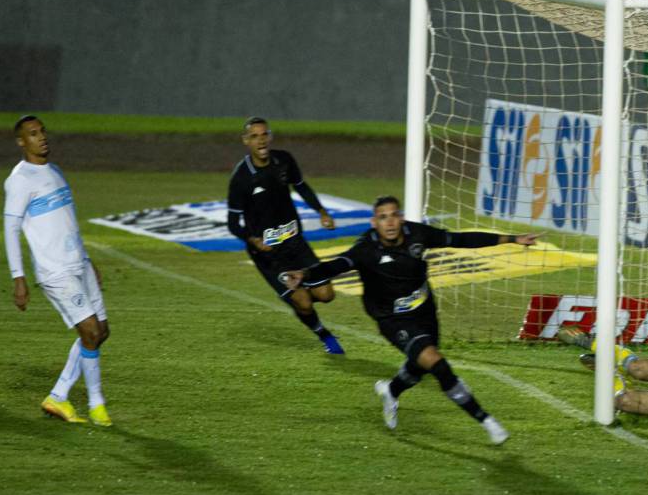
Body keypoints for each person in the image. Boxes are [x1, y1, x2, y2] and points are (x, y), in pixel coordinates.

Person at [282, 196, 537, 444]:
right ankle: (487, 422)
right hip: (392, 319)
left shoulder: (418, 234)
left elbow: (460, 239)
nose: (390, 222)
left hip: (424, 311)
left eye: (394, 215)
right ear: (374, 223)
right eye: (383, 218)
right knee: (436, 363)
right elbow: (336, 265)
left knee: (419, 368)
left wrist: (513, 239)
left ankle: (391, 390)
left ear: (401, 218)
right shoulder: (366, 250)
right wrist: (304, 274)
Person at [3, 116, 113, 426]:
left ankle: (58, 396)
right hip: (56, 272)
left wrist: (88, 259)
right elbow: (11, 230)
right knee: (90, 331)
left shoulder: (55, 172)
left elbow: (67, 221)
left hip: (79, 264)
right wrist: (18, 278)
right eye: (33, 134)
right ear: (22, 142)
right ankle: (96, 405)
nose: (42, 138)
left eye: (43, 132)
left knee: (101, 332)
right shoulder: (20, 180)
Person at [227, 116, 344, 354]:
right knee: (302, 300)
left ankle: (296, 297)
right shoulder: (241, 178)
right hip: (269, 254)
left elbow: (301, 186)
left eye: (264, 135)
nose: (261, 141)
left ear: (269, 137)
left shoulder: (284, 160)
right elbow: (232, 222)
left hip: (295, 243)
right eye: (254, 136)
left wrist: (321, 211)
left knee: (326, 294)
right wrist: (253, 239)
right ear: (245, 141)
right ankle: (324, 334)